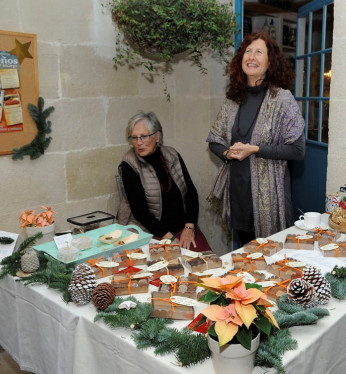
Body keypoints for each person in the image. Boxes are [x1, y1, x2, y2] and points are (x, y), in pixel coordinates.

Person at [206, 31, 305, 247]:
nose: (251, 57)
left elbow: (297, 150)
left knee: (271, 256)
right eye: (247, 52)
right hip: (238, 194)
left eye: (259, 52)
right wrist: (227, 153)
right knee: (245, 256)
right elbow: (214, 139)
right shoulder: (233, 99)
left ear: (270, 62)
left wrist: (255, 149)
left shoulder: (282, 100)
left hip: (269, 200)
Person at [117, 111, 211, 252]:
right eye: (134, 138)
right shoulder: (129, 164)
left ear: (157, 136)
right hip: (149, 232)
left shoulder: (172, 155)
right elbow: (140, 212)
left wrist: (189, 227)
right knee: (171, 268)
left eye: (143, 136)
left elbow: (191, 193)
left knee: (207, 261)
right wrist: (170, 238)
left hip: (182, 228)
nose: (139, 143)